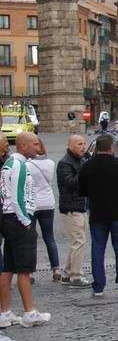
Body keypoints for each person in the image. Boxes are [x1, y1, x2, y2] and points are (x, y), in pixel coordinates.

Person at [0, 132, 51, 326]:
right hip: (18, 220)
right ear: (24, 146)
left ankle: (5, 313)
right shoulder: (19, 165)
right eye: (35, 145)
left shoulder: (10, 163)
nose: (38, 149)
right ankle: (29, 313)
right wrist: (26, 221)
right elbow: (17, 196)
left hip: (9, 219)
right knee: (24, 270)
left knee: (8, 268)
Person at [77, 132, 118, 296]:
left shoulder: (87, 166)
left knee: (97, 250)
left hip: (97, 214)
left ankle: (98, 287)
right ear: (111, 148)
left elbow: (81, 190)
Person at [27, 136, 63, 282]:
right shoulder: (50, 163)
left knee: (31, 239)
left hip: (33, 204)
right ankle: (56, 269)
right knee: (50, 238)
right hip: (48, 203)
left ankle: (29, 272)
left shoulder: (27, 164)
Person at [56, 134, 90, 286]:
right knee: (78, 241)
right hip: (71, 208)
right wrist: (84, 169)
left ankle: (67, 274)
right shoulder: (65, 163)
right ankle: (76, 276)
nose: (83, 147)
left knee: (77, 241)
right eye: (79, 144)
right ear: (70, 146)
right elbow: (70, 183)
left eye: (84, 143)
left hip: (80, 206)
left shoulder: (79, 160)